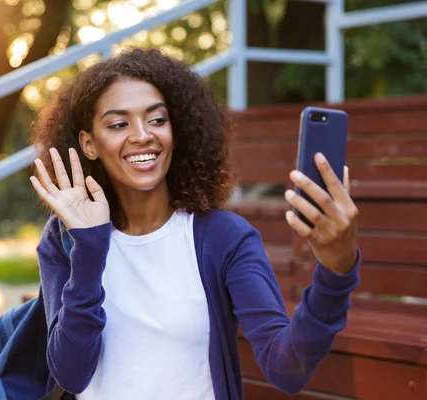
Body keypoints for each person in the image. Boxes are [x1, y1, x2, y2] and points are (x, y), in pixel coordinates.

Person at [29, 48, 360, 400]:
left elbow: (286, 368)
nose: (142, 135)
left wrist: (335, 272)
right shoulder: (65, 237)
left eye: (157, 119)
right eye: (118, 124)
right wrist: (90, 249)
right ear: (89, 143)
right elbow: (71, 373)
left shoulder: (224, 238)